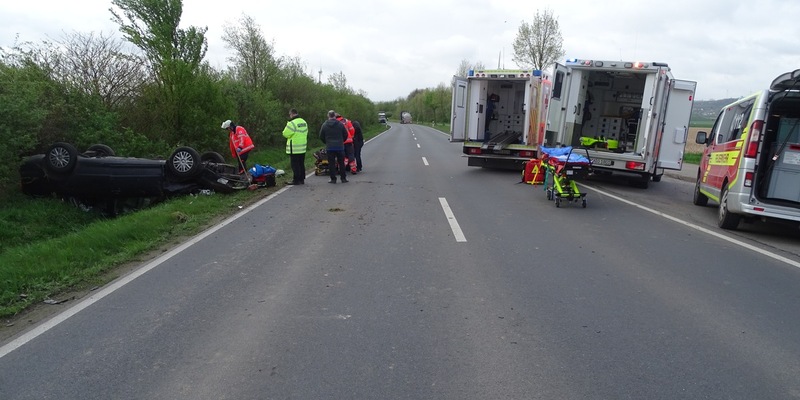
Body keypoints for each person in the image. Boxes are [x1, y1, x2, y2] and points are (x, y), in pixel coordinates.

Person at [319, 110, 348, 183]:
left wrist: (327, 142)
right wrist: (342, 141)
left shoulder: (324, 125)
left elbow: (321, 136)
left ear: (328, 116)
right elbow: (345, 134)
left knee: (331, 164)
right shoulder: (340, 124)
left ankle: (333, 179)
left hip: (330, 147)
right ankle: (343, 178)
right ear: (335, 116)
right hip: (340, 147)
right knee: (341, 163)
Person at [282, 108, 309, 185]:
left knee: (295, 165)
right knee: (301, 164)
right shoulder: (304, 122)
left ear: (292, 114)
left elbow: (285, 134)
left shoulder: (291, 123)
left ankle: (296, 180)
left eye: (290, 114)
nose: (290, 116)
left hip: (294, 148)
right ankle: (302, 179)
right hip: (302, 148)